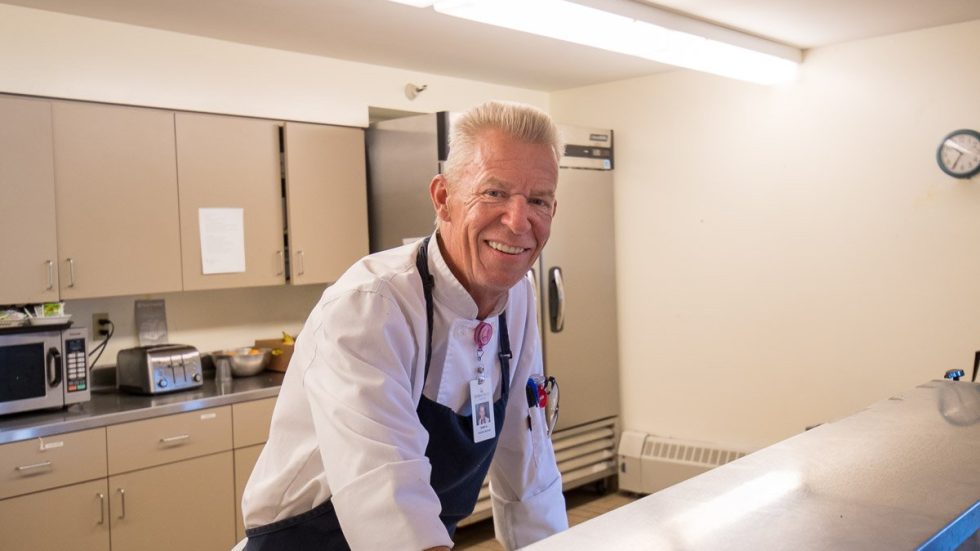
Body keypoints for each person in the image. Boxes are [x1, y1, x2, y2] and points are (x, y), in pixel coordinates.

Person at [238, 100, 567, 551]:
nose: (517, 220)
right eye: (493, 192)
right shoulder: (370, 309)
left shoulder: (520, 297)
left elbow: (527, 460)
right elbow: (387, 503)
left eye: (537, 201)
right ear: (443, 198)